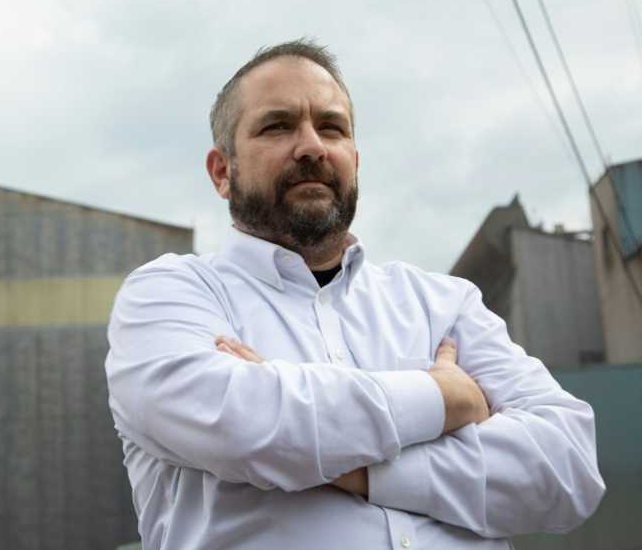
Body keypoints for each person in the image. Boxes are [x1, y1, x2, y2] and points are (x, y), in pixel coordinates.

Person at [105, 40, 605, 550]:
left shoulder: (443, 304)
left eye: (331, 127)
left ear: (355, 159)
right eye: (277, 126)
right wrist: (443, 397)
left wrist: (355, 469)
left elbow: (567, 469)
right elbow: (246, 427)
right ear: (221, 171)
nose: (311, 147)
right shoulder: (168, 295)